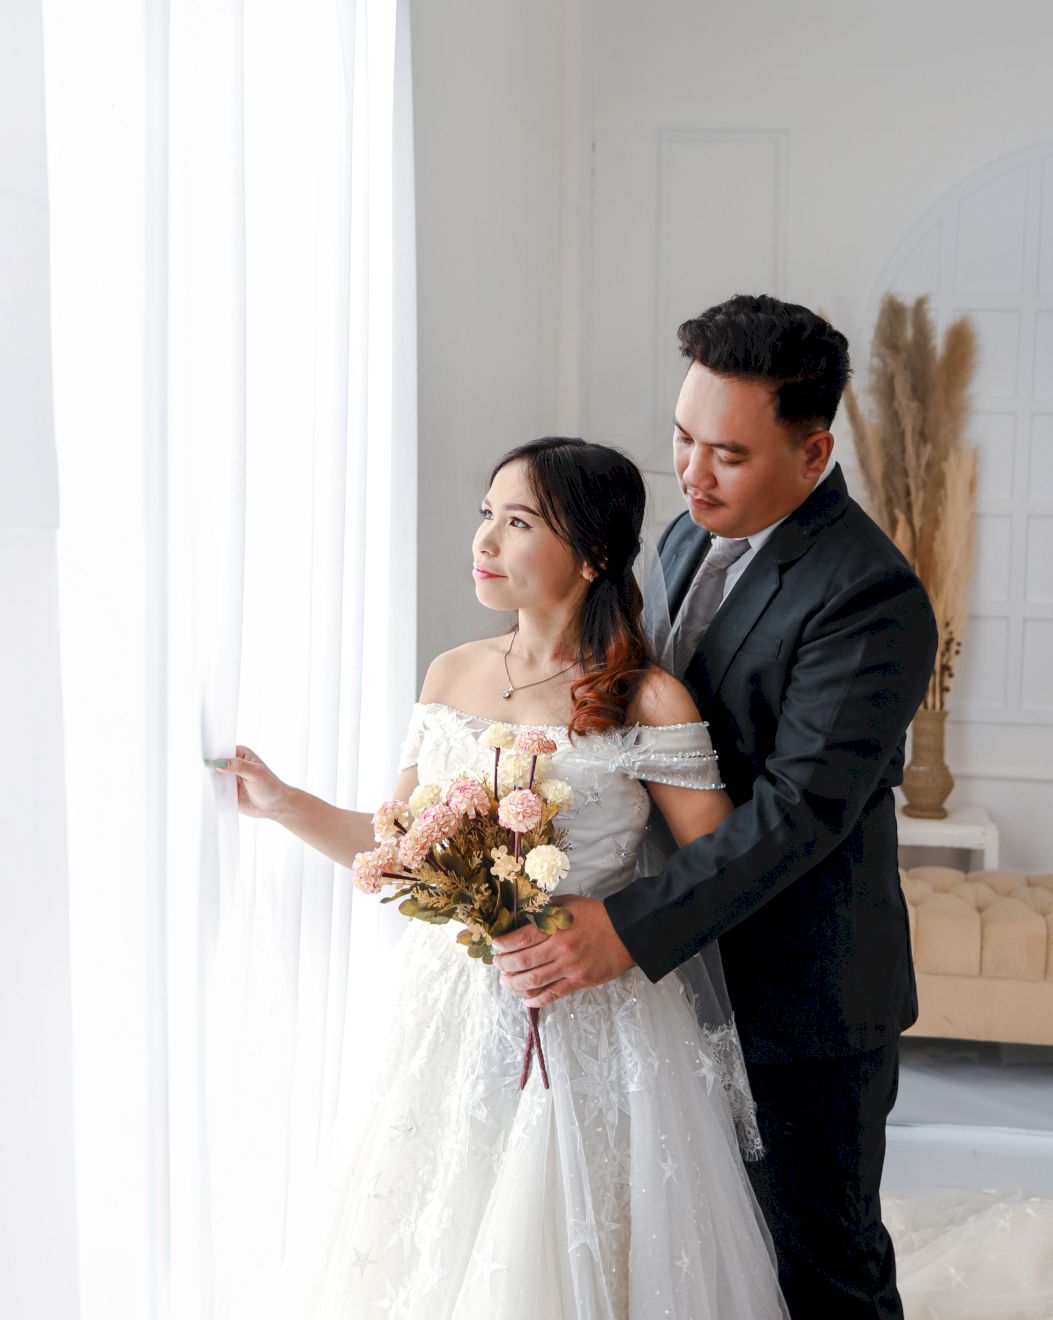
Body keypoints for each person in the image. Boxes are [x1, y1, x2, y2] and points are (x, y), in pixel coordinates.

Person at [217, 436, 788, 1319]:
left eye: (517, 522)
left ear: (591, 554)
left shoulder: (647, 698)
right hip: (449, 1010)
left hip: (595, 1012)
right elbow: (402, 850)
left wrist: (608, 924)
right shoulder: (453, 673)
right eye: (487, 514)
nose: (484, 539)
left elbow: (720, 870)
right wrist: (285, 803)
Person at [492, 296, 939, 1320]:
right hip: (674, 993)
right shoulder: (685, 538)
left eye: (727, 455)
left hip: (801, 997)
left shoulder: (870, 598)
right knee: (698, 1259)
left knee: (818, 1265)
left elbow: (798, 814)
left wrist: (623, 927)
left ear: (813, 452)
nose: (690, 474)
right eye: (682, 438)